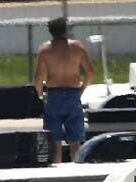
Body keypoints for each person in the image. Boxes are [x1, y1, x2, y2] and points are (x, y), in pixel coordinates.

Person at [34, 17, 94, 163]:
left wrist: (40, 94)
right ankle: (77, 171)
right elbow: (90, 72)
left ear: (50, 31)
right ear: (65, 30)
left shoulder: (45, 49)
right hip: (73, 94)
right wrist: (81, 89)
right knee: (75, 140)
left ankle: (58, 172)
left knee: (54, 140)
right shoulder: (77, 47)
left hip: (53, 95)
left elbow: (38, 77)